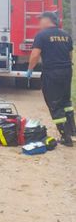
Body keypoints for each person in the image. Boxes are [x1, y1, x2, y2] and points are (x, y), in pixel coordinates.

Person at [27, 11, 74, 146]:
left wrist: (30, 69)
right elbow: (70, 54)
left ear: (48, 20)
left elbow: (35, 55)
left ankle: (66, 137)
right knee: (66, 102)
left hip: (52, 72)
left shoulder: (42, 35)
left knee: (55, 104)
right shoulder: (66, 35)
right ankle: (72, 131)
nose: (39, 23)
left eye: (41, 20)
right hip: (66, 71)